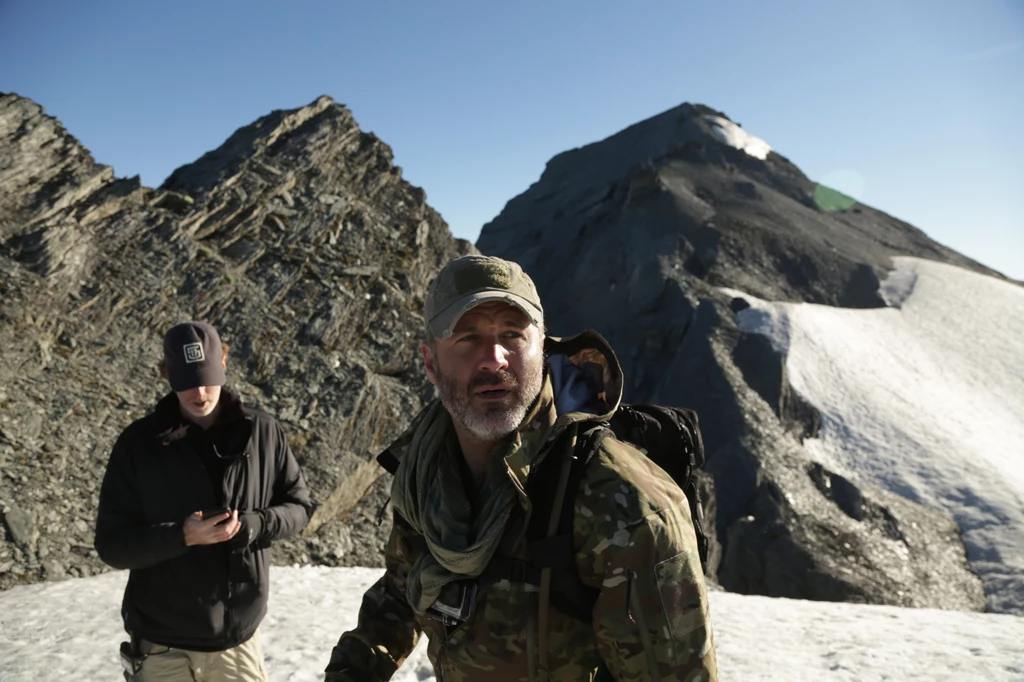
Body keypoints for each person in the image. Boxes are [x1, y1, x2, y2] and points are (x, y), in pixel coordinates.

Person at [324, 255, 717, 681]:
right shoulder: (426, 473)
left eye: (513, 335)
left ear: (542, 349)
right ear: (430, 362)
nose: (494, 359)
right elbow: (404, 587)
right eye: (467, 338)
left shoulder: (621, 502)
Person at [95, 321, 312, 682]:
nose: (199, 392)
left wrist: (252, 525)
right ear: (167, 376)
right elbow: (112, 546)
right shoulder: (138, 444)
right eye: (185, 381)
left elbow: (300, 508)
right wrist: (181, 536)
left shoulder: (263, 432)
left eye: (207, 377)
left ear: (223, 365)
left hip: (236, 646)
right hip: (161, 649)